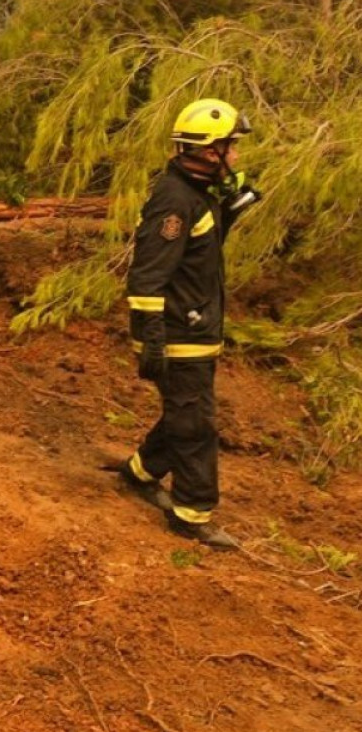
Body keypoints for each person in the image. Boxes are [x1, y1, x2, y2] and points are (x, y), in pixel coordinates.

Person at [104, 98, 262, 551]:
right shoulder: (174, 201)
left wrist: (228, 211)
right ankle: (192, 515)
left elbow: (198, 258)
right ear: (210, 152)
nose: (235, 155)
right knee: (195, 425)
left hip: (195, 330)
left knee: (186, 413)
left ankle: (139, 473)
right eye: (230, 147)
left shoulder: (197, 194)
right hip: (177, 335)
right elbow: (148, 274)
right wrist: (152, 337)